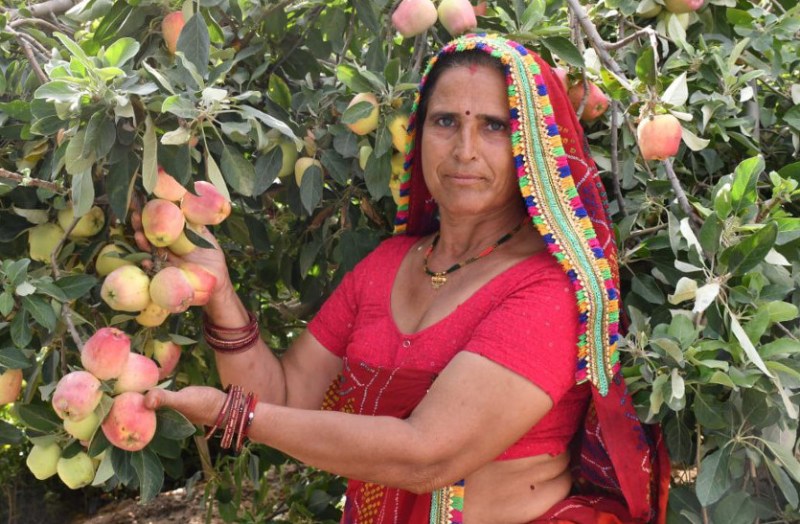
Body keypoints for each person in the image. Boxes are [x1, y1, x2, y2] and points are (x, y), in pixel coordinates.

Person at [143, 33, 669, 523]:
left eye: (494, 124)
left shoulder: (548, 288)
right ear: (418, 135)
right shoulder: (388, 265)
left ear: (530, 143)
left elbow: (428, 455)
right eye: (445, 122)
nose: (464, 149)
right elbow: (282, 395)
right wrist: (220, 293)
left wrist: (232, 414)